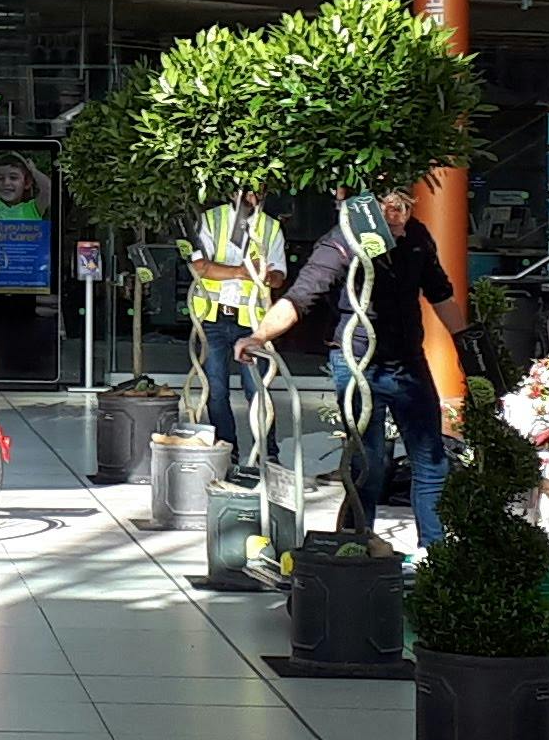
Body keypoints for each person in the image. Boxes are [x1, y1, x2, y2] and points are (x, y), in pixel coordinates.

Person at [246, 185, 457, 545]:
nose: (403, 229)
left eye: (406, 218)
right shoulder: (339, 243)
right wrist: (259, 336)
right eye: (395, 223)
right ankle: (356, 543)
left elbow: (440, 293)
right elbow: (301, 296)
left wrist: (468, 342)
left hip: (407, 360)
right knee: (368, 465)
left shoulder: (416, 234)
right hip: (356, 359)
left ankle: (434, 553)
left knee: (431, 459)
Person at [190, 187, 283, 458]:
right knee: (215, 389)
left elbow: (279, 275)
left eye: (256, 191)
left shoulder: (270, 226)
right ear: (232, 193)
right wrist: (241, 272)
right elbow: (199, 266)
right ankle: (227, 451)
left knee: (257, 389)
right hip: (213, 316)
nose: (251, 197)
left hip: (253, 321)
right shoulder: (212, 219)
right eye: (245, 191)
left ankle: (268, 454)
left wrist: (266, 276)